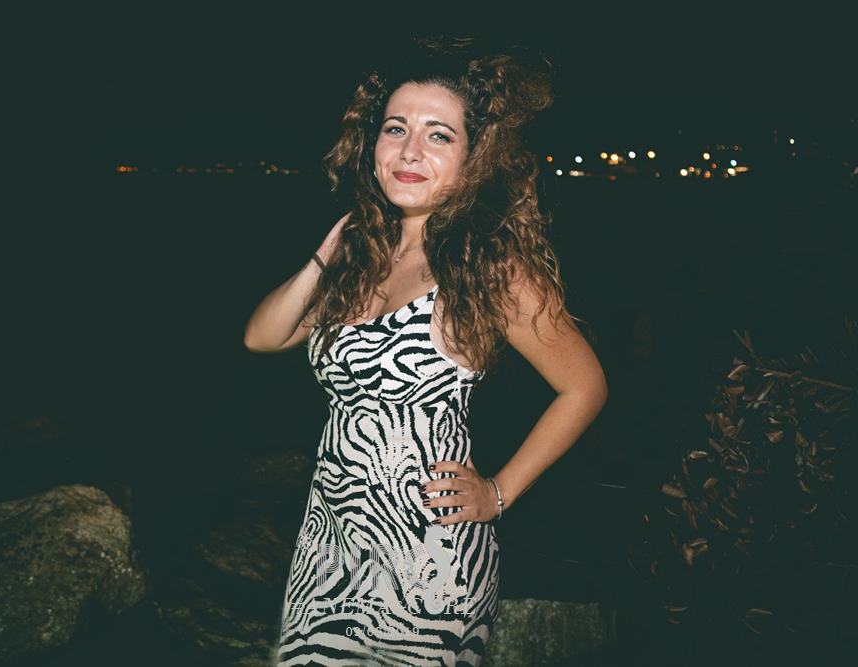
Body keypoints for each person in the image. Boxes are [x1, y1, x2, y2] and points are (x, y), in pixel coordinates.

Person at [244, 36, 608, 667]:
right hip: (328, 543)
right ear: (373, 146)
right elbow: (262, 336)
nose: (410, 151)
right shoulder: (362, 258)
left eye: (439, 135)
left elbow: (584, 388)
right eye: (396, 129)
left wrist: (498, 493)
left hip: (429, 558)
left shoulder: (489, 266)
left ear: (474, 157)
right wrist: (327, 253)